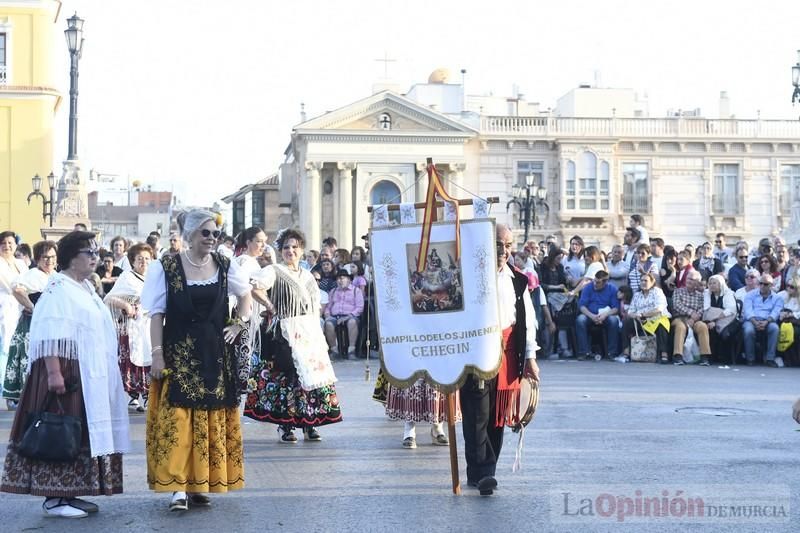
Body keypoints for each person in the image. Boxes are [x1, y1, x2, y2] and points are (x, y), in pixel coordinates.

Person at [0, 231, 129, 518]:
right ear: (72, 257)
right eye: (89, 253)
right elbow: (48, 332)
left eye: (96, 252)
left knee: (78, 432)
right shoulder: (58, 287)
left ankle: (69, 492)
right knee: (59, 430)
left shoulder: (83, 287)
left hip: (84, 370)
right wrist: (54, 373)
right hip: (63, 371)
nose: (95, 257)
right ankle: (54, 498)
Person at [142, 209, 252, 512]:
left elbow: (246, 296)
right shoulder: (166, 266)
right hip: (178, 354)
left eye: (215, 233)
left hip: (216, 354)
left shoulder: (226, 265)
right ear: (190, 234)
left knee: (209, 419)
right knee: (178, 420)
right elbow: (156, 314)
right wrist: (156, 354)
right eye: (206, 233)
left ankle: (198, 484)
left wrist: (238, 324)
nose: (212, 238)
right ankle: (176, 486)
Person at [460, 223, 539, 496]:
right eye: (497, 244)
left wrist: (530, 357)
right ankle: (481, 472)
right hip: (477, 353)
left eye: (508, 245)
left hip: (507, 353)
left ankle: (486, 473)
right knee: (476, 414)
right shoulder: (468, 276)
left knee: (497, 416)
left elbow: (527, 319)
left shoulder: (518, 279)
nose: (504, 251)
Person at [244, 228, 342, 443]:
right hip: (285, 331)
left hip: (308, 331)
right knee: (288, 377)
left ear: (301, 249)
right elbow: (255, 289)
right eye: (286, 247)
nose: (291, 251)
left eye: (295, 247)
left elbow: (316, 305)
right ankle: (286, 425)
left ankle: (310, 423)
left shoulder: (307, 275)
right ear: (280, 250)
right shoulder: (274, 270)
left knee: (311, 377)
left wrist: (316, 330)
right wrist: (271, 306)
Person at [1, 241, 57, 406]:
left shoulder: (56, 276)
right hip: (32, 324)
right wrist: (31, 307)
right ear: (38, 259)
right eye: (45, 257)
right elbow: (17, 289)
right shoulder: (33, 275)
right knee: (29, 359)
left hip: (52, 324)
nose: (49, 261)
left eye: (52, 257)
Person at [104, 243, 154, 413]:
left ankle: (148, 395)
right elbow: (110, 298)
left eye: (147, 259)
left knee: (150, 359)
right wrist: (126, 305)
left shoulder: (155, 278)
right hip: (131, 325)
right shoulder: (127, 277)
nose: (144, 262)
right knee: (131, 360)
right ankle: (132, 396)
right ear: (133, 261)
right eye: (140, 259)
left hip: (149, 325)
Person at [0, 230, 28, 407]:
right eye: (3, 243)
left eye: (10, 243)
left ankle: (18, 389)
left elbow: (28, 283)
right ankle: (6, 388)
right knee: (6, 346)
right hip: (6, 306)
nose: (7, 246)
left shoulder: (20, 263)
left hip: (22, 306)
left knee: (19, 346)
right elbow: (11, 286)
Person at [620, 272, 671, 364]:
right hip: (640, 319)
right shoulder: (637, 295)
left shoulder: (657, 292)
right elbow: (631, 311)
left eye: (646, 281)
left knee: (661, 324)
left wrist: (643, 314)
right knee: (626, 322)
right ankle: (626, 353)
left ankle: (664, 354)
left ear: (652, 282)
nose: (643, 282)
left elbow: (659, 309)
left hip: (655, 318)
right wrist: (636, 316)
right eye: (642, 280)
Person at [575, 270, 620, 360]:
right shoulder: (588, 287)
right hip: (590, 314)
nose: (595, 284)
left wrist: (605, 315)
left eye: (598, 282)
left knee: (614, 321)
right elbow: (582, 306)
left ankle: (612, 352)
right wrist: (592, 316)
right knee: (580, 320)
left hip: (605, 315)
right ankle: (584, 352)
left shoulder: (612, 289)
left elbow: (615, 308)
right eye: (594, 281)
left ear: (605, 282)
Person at [670, 270, 712, 366]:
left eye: (692, 279)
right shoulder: (678, 291)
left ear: (697, 283)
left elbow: (703, 308)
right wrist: (691, 313)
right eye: (688, 278)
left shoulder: (701, 295)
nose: (689, 281)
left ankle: (704, 356)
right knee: (681, 327)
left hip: (695, 320)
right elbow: (677, 305)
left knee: (702, 326)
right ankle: (678, 356)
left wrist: (694, 318)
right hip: (680, 318)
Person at [742, 274, 783, 367]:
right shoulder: (750, 295)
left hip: (768, 321)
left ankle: (770, 358)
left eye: (766, 284)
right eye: (761, 283)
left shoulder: (777, 298)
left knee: (775, 329)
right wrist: (755, 322)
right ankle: (750, 359)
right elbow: (748, 310)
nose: (762, 286)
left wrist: (767, 322)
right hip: (751, 320)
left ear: (771, 285)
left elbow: (776, 312)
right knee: (749, 330)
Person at [323, 269, 364, 359]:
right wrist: (327, 314)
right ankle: (334, 351)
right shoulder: (333, 291)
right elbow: (328, 307)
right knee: (328, 323)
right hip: (334, 316)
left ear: (349, 279)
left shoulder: (356, 291)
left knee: (352, 322)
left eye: (342, 278)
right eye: (338, 279)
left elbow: (360, 307)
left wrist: (348, 317)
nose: (340, 280)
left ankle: (351, 351)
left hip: (350, 316)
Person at [703, 274, 739, 364]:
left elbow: (731, 310)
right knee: (709, 329)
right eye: (710, 283)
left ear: (721, 284)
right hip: (712, 319)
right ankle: (711, 357)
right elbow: (707, 309)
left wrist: (715, 320)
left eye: (714, 283)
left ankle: (726, 358)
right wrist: (714, 319)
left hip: (730, 320)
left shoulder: (728, 293)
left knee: (725, 334)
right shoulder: (707, 293)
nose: (712, 285)